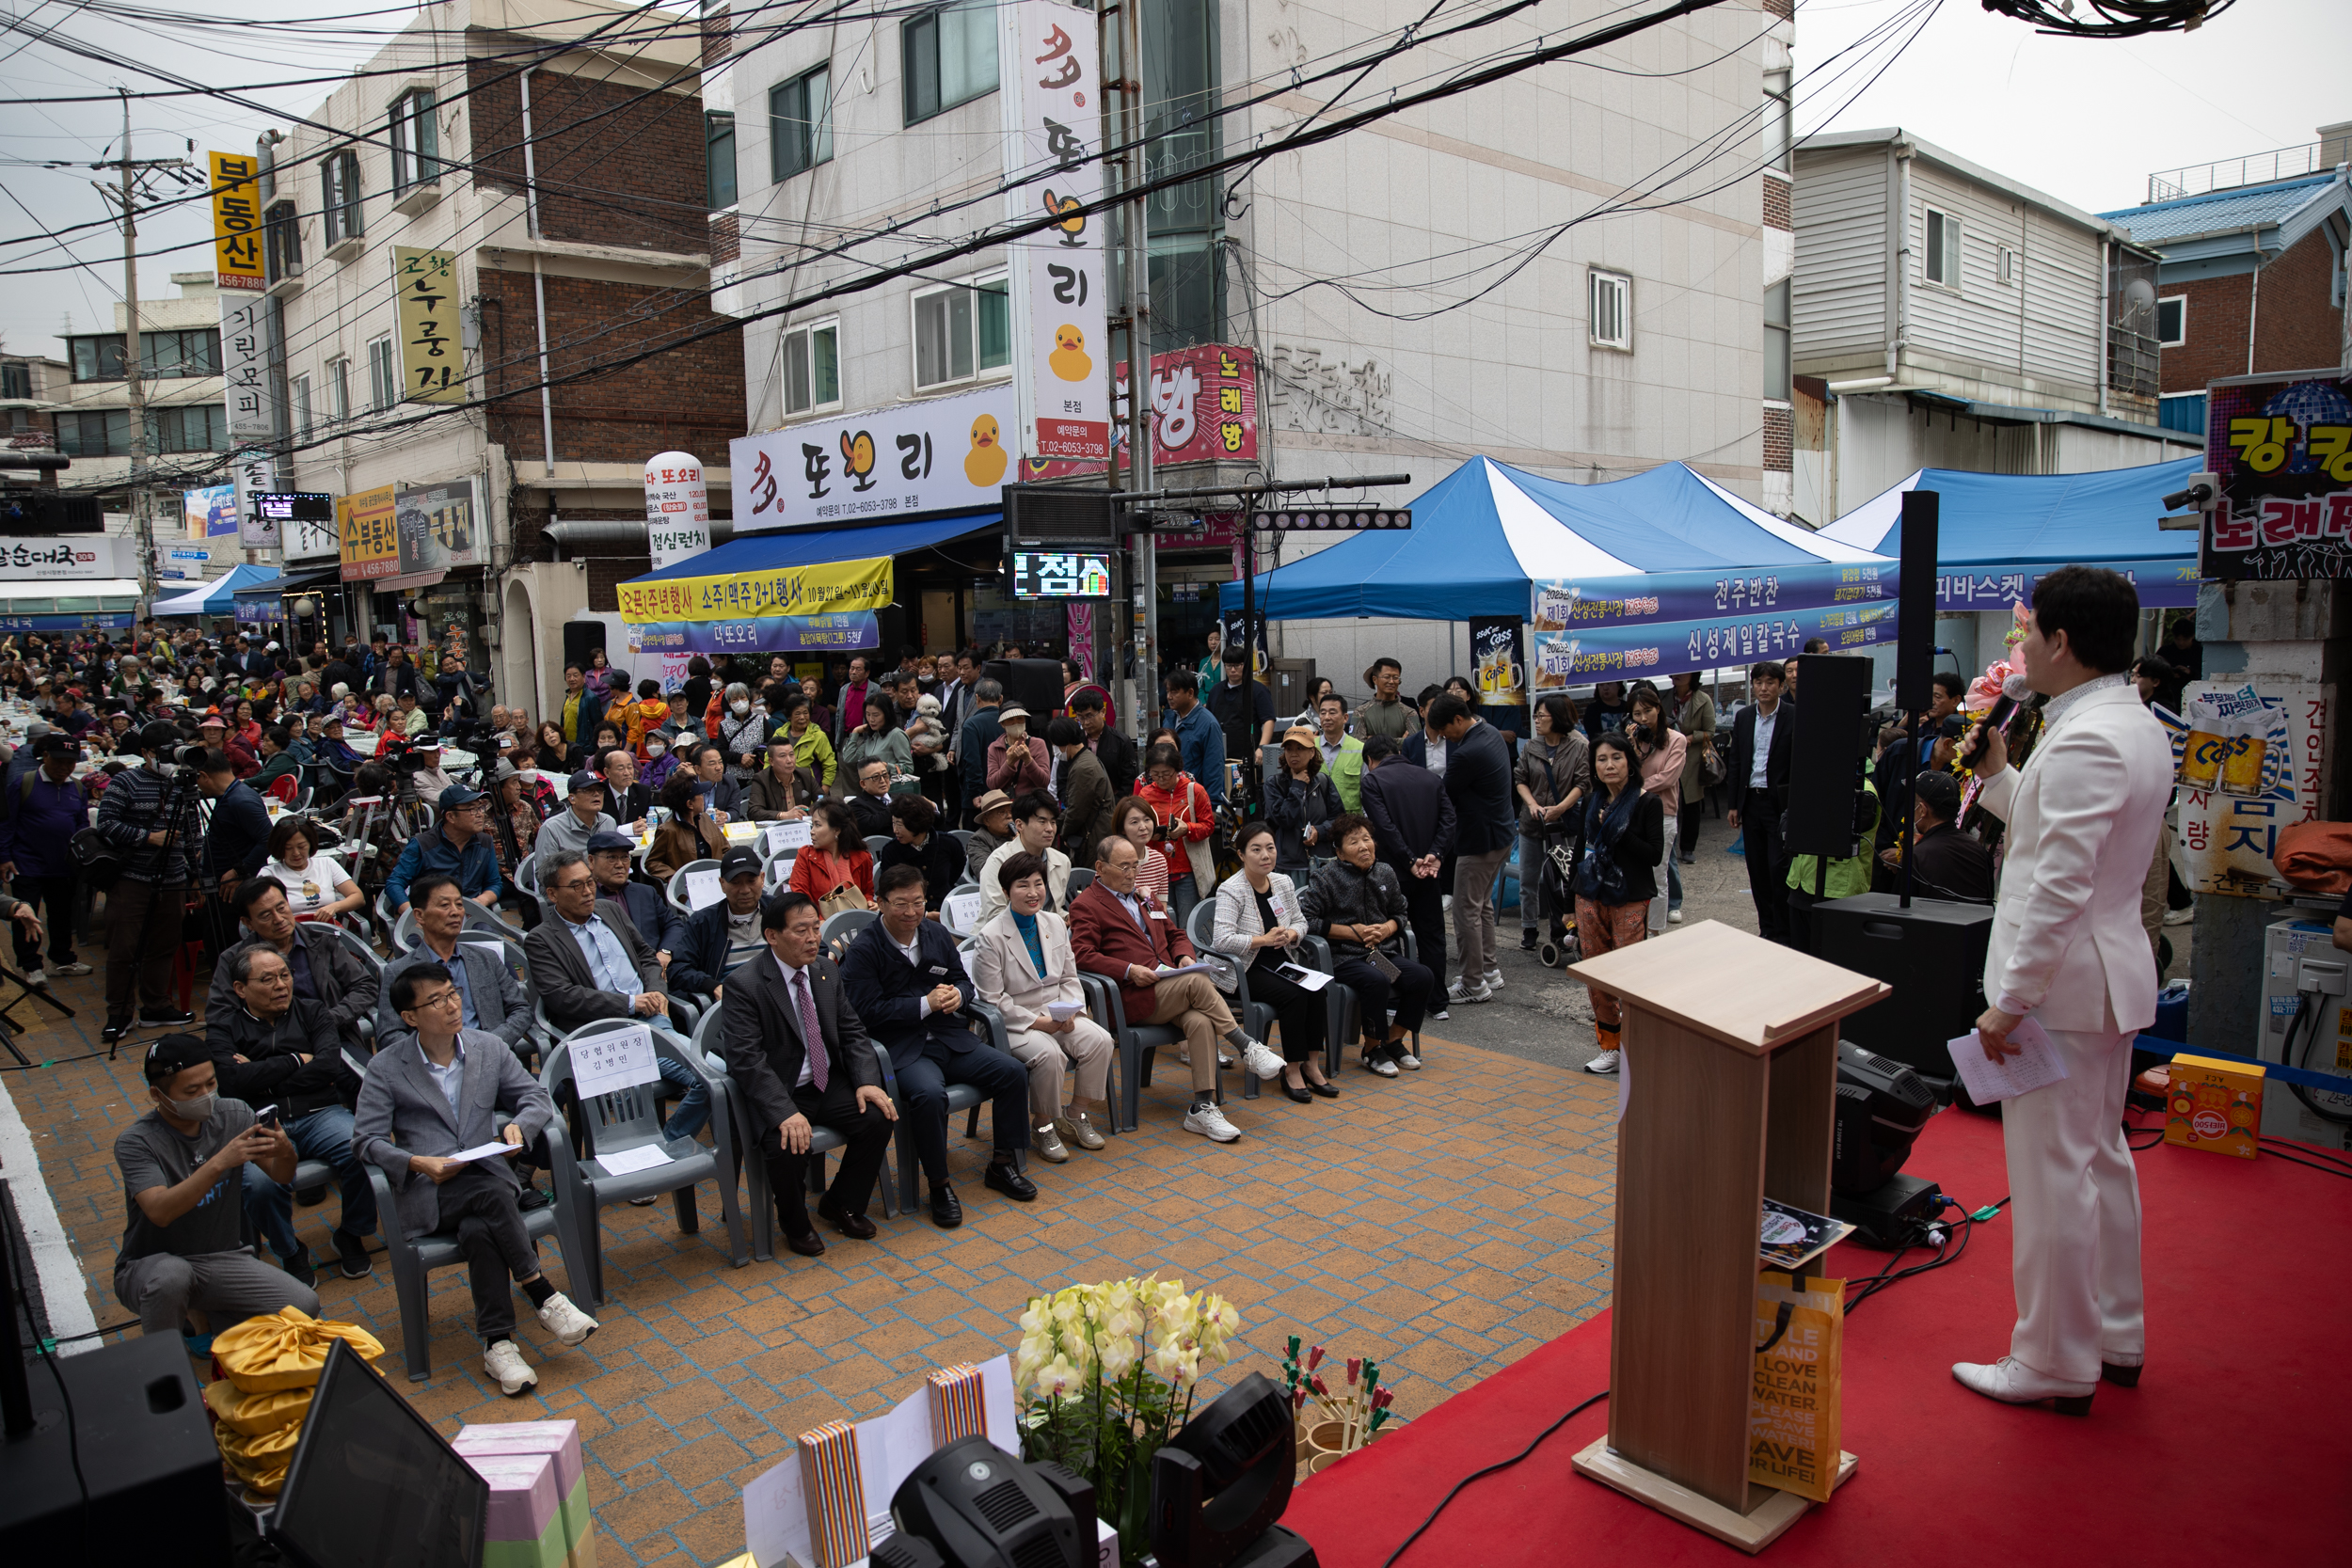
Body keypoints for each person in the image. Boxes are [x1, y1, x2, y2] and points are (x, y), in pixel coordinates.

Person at [1955, 567, 2170, 1414]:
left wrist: (2008, 1001)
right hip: (2104, 983)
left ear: (2062, 642)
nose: (2018, 647)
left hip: (2061, 991)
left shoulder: (2086, 736)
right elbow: (2063, 841)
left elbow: (2055, 887)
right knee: (2099, 1161)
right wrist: (2004, 777)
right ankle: (2116, 1334)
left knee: (2052, 1175)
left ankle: (2052, 1356)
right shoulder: (2126, 722)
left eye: (2025, 631)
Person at [356, 964, 598, 1397]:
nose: (451, 1006)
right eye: (436, 1000)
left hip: (485, 1181)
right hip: (431, 1191)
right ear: (409, 1016)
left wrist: (519, 1127)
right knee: (491, 1197)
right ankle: (542, 1293)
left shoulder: (486, 1047)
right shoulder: (386, 1067)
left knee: (480, 1226)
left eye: (452, 994)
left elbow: (534, 1096)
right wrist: (415, 1162)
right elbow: (366, 1141)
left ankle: (498, 1344)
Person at [841, 863, 1038, 1224]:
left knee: (1011, 1071)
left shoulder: (933, 933)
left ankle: (1002, 1164)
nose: (911, 912)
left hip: (950, 1037)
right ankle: (939, 1183)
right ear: (880, 903)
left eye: (918, 902)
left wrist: (957, 997)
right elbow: (864, 1011)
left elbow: (963, 979)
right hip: (902, 1048)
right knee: (929, 1095)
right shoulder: (863, 950)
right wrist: (923, 1004)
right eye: (900, 904)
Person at [718, 890, 898, 1256]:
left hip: (824, 1080)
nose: (813, 938)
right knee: (786, 1145)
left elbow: (852, 1032)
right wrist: (783, 1111)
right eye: (801, 931)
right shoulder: (746, 984)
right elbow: (746, 1060)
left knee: (878, 1118)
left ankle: (840, 1203)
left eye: (815, 928)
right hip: (781, 1087)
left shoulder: (825, 970)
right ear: (772, 936)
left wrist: (866, 1081)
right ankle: (794, 1223)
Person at [114, 1035, 317, 1349]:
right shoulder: (136, 1142)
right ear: (157, 1094)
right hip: (150, 1266)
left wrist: (286, 1150)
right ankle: (166, 1367)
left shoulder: (233, 1114)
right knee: (172, 1277)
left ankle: (209, 1313)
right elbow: (160, 1211)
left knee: (303, 1306)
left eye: (210, 1083)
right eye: (192, 1091)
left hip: (219, 1258)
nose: (206, 1095)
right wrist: (219, 1163)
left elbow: (281, 1174)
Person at [1072, 834, 1279, 1140]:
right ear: (1100, 868)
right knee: (1197, 981)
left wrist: (1183, 955)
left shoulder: (1145, 896)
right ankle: (1246, 1045)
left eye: (1135, 865)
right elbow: (1082, 955)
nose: (1132, 873)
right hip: (1129, 996)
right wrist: (1129, 970)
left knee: (1199, 1019)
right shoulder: (1087, 904)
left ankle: (1202, 1108)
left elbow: (1176, 933)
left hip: (1169, 986)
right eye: (1124, 867)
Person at [205, 944, 373, 1284]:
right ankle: (289, 1250)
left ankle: (351, 1233)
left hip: (320, 1112)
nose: (281, 985)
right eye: (267, 979)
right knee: (261, 1185)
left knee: (365, 1149)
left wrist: (260, 1075)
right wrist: (297, 1059)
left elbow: (327, 1066)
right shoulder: (223, 1028)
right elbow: (230, 1082)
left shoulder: (313, 1012)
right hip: (259, 1123)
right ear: (240, 989)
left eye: (285, 975)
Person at [525, 850, 712, 1145]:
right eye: (577, 886)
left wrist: (655, 992)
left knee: (717, 1075)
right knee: (638, 1097)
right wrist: (629, 1003)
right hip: (604, 1037)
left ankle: (668, 1142)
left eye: (589, 882)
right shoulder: (541, 939)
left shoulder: (609, 911)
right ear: (551, 894)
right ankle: (639, 1154)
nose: (588, 892)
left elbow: (646, 957)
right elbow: (562, 996)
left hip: (651, 1024)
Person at [973, 851, 1116, 1159]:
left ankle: (1075, 1114)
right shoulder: (991, 937)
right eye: (1023, 885)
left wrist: (1071, 1012)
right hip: (1012, 1023)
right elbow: (992, 999)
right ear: (1006, 891)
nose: (1033, 892)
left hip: (1058, 1011)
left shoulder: (1053, 922)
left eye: (1038, 884)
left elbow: (1069, 976)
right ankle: (1043, 1125)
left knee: (1100, 1040)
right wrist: (1040, 1023)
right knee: (1050, 1054)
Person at [1300, 815, 1437, 1077]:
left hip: (1380, 954)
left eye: (1367, 839)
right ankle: (1371, 1049)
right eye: (1354, 842)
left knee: (1422, 977)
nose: (1364, 846)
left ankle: (1393, 1041)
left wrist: (1387, 928)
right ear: (1339, 852)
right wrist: (1352, 933)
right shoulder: (1326, 877)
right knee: (1376, 981)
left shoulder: (1385, 872)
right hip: (1343, 957)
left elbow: (1401, 912)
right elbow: (1306, 920)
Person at [93, 721, 202, 1044]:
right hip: (133, 879)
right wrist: (148, 838)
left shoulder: (185, 786)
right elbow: (106, 824)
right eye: (164, 754)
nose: (170, 760)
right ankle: (120, 1013)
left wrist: (196, 875)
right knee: (124, 948)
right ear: (146, 753)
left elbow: (194, 833)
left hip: (173, 879)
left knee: (165, 945)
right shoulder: (125, 781)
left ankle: (157, 1006)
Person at [1211, 822, 1335, 1101]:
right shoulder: (1231, 889)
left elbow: (1300, 921)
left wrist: (1292, 934)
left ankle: (1311, 1065)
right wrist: (1263, 940)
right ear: (1241, 855)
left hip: (1280, 961)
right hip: (1243, 968)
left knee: (1317, 991)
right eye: (1256, 849)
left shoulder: (1283, 882)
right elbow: (1222, 940)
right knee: (1293, 996)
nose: (1265, 855)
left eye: (1270, 848)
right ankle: (1291, 1070)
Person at [1573, 733, 1663, 1076]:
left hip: (1630, 895)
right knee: (1596, 973)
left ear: (1629, 762)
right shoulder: (1592, 801)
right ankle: (1610, 1047)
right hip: (1590, 893)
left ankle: (1638, 1047)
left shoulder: (1646, 802)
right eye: (1601, 759)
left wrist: (1617, 829)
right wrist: (1570, 900)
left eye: (1616, 758)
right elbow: (1581, 851)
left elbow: (1654, 855)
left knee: (1629, 974)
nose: (1609, 765)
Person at [208, 874, 380, 1052]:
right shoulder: (233, 959)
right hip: (266, 1047)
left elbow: (364, 985)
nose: (279, 919)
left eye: (281, 908)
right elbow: (220, 1014)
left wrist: (330, 1019)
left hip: (329, 1037)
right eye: (266, 915)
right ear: (248, 923)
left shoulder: (321, 943)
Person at [376, 873, 534, 1056]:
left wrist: (491, 1043)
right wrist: (436, 1055)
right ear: (419, 915)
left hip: (492, 1057)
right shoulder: (400, 971)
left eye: (459, 905)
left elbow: (521, 1009)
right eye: (444, 905)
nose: (455, 912)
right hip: (435, 1069)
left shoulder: (486, 959)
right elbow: (389, 1035)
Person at [1425, 693, 1514, 1006]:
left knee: (1465, 911)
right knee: (1481, 906)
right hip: (1502, 835)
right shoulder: (1489, 732)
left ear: (1458, 721)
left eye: (1444, 731)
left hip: (1479, 843)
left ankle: (1473, 984)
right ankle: (1488, 970)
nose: (1443, 738)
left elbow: (1443, 795)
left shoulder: (1467, 753)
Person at [1359, 736, 1454, 1011]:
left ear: (1369, 760)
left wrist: (1409, 859)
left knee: (1387, 937)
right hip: (1429, 872)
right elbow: (1449, 820)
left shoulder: (1373, 781)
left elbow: (1383, 827)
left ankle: (1396, 996)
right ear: (1398, 752)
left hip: (1392, 873)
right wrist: (1434, 855)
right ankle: (1437, 1001)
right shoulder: (1431, 779)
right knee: (1432, 935)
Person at [0, 731, 90, 985]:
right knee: (26, 917)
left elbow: (82, 825)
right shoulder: (23, 783)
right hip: (26, 865)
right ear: (45, 756)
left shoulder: (78, 787)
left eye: (70, 763)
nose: (64, 768)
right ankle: (31, 966)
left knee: (62, 915)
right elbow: (7, 824)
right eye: (58, 761)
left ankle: (62, 960)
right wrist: (4, 856)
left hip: (63, 866)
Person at [1727, 660, 1796, 945]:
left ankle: (1784, 930)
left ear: (1781, 686)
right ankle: (1766, 928)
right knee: (1756, 870)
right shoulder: (1744, 717)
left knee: (1777, 868)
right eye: (1758, 682)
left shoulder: (1794, 715)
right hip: (1751, 801)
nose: (1764, 688)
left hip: (1779, 803)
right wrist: (1734, 804)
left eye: (1770, 682)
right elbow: (1737, 761)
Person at [1515, 693, 1588, 951]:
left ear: (1557, 717)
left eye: (1541, 716)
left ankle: (1568, 928)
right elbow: (1520, 779)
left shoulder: (1578, 746)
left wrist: (1561, 808)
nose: (1536, 720)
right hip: (1532, 823)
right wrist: (1532, 804)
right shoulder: (1530, 746)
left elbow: (1583, 783)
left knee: (1566, 878)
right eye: (1535, 715)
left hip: (1564, 823)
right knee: (1529, 879)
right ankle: (1530, 928)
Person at [1785, 774, 1880, 956]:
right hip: (1801, 885)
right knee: (1800, 960)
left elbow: (1835, 832)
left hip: (1837, 891)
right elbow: (1788, 817)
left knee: (1832, 964)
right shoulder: (1815, 780)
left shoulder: (1864, 792)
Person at [670, 847, 772, 1001]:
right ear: (722, 884)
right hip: (732, 1001)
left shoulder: (780, 911)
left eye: (751, 881)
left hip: (778, 994)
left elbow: (816, 948)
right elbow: (678, 969)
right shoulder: (703, 922)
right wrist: (712, 986)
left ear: (762, 878)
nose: (745, 890)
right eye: (736, 883)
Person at [388, 782, 505, 912]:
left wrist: (480, 901)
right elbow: (394, 883)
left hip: (472, 915)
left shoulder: (485, 842)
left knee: (490, 933)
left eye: (480, 807)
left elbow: (494, 883)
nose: (480, 814)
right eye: (472, 809)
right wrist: (411, 917)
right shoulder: (423, 845)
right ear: (450, 817)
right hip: (433, 917)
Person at [1627, 685, 1688, 930]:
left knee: (1657, 875)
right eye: (1637, 713)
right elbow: (1625, 774)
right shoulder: (1635, 740)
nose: (1643, 718)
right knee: (1633, 873)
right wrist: (1630, 746)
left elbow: (1667, 778)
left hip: (1662, 814)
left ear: (1658, 710)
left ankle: (1654, 930)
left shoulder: (1676, 740)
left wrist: (1636, 789)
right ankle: (1633, 929)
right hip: (1633, 813)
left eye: (1647, 711)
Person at [1886, 770, 1994, 903]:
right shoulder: (1980, 853)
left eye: (1912, 804)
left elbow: (1898, 910)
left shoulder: (1916, 857)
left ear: (1922, 810)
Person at [1136, 743, 1215, 926]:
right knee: (1162, 923)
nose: (1161, 779)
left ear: (1178, 770)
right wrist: (1149, 835)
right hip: (1156, 870)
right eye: (1155, 774)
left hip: (1187, 869)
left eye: (1166, 774)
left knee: (1189, 924)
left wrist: (1187, 828)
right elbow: (1134, 828)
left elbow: (1208, 826)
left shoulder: (1195, 791)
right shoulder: (1145, 794)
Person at [586, 830, 686, 971]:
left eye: (625, 858)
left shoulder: (645, 892)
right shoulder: (586, 899)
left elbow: (673, 924)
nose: (620, 864)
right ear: (591, 861)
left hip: (657, 968)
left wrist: (665, 951)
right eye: (612, 858)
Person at [980, 791, 1071, 923]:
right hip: (1001, 937)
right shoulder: (999, 861)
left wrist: (1066, 917)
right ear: (1019, 825)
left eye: (1053, 822)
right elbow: (995, 915)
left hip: (1046, 935)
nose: (1050, 829)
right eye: (1042, 822)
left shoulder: (1062, 861)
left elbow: (1054, 909)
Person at [1265, 725, 1341, 877]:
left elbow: (1338, 819)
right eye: (1289, 749)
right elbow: (1284, 819)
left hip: (1321, 862)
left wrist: (1319, 831)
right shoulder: (1274, 784)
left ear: (1312, 752)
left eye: (1300, 748)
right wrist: (1297, 786)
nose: (1294, 754)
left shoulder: (1323, 782)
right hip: (1288, 865)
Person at [261, 816, 362, 921]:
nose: (296, 853)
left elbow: (357, 897)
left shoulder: (327, 864)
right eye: (288, 848)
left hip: (327, 931)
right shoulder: (269, 874)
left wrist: (334, 907)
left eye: (301, 846)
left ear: (311, 843)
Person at [879, 794, 964, 911]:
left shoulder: (948, 843)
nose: (895, 830)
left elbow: (958, 867)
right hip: (909, 914)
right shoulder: (891, 851)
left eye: (899, 824)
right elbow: (888, 888)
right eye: (893, 823)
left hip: (945, 910)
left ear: (915, 824)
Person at [786, 800, 875, 911]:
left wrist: (869, 902)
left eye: (817, 825)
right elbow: (800, 896)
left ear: (836, 830)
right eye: (812, 825)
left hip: (854, 919)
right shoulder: (805, 855)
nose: (812, 831)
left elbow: (867, 892)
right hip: (816, 923)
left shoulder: (862, 857)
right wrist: (819, 920)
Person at [1206, 643, 1278, 780]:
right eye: (1228, 666)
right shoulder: (1216, 690)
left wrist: (1262, 748)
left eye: (1237, 666)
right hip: (1219, 753)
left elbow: (1268, 720)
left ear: (1245, 665)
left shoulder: (1258, 690)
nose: (1233, 670)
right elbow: (1209, 720)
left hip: (1248, 754)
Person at [1048, 716, 1114, 858]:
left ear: (1064, 741)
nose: (1055, 750)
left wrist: (1063, 833)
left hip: (1094, 836)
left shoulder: (1083, 768)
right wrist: (1054, 824)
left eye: (1055, 745)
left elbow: (1076, 811)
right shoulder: (1084, 759)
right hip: (1095, 831)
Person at [1669, 671, 1717, 865]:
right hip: (1668, 755)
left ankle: (1688, 847)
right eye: (1675, 672)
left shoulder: (1703, 699)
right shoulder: (1665, 697)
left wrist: (1689, 739)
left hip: (1692, 758)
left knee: (1691, 804)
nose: (1677, 675)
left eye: (1683, 671)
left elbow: (1710, 731)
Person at [533, 772, 618, 881]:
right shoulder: (551, 828)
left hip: (605, 884)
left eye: (600, 790)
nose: (596, 794)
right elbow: (544, 875)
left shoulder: (608, 822)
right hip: (571, 888)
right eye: (588, 790)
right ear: (572, 798)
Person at [1162, 672, 1225, 808]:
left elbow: (1214, 767)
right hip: (1168, 797)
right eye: (1167, 691)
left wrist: (1212, 804)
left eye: (1174, 692)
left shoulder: (1208, 724)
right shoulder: (1169, 719)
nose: (1169, 697)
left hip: (1194, 800)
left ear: (1190, 693)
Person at [1069, 688, 1137, 800]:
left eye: (1089, 716)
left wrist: (1115, 805)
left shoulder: (1121, 741)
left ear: (1103, 712)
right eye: (1080, 717)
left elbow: (1128, 780)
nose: (1086, 722)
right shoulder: (1075, 740)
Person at [957, 679, 1006, 827]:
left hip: (979, 799)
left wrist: (974, 793)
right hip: (1005, 795)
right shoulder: (1009, 722)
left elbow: (972, 763)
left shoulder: (971, 724)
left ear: (977, 698)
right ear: (1000, 699)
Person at [748, 735, 820, 821]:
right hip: (776, 830)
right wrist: (783, 815)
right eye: (783, 756)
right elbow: (754, 812)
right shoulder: (761, 779)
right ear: (771, 761)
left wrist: (812, 810)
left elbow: (823, 799)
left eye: (791, 754)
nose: (789, 760)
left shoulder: (804, 774)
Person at [984, 703, 1049, 797]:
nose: (1016, 723)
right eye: (1011, 720)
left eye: (1020, 719)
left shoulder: (1038, 744)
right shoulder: (994, 748)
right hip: (1006, 805)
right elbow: (992, 784)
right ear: (1002, 724)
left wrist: (1028, 760)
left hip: (1031, 804)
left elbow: (1044, 782)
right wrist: (1009, 764)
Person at [1354, 658, 1420, 741]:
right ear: (1375, 679)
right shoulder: (1361, 712)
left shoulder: (1409, 713)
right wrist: (1401, 741)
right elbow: (1357, 744)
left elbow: (1414, 743)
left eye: (1395, 678)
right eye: (1387, 677)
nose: (1391, 682)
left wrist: (1373, 741)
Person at [964, 788, 1014, 881]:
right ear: (986, 820)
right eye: (1002, 812)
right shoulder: (978, 840)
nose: (1009, 816)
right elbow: (985, 873)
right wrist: (1016, 847)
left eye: (1010, 811)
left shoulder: (1019, 833)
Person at [556, 662, 604, 755]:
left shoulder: (591, 698)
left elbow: (598, 724)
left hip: (584, 747)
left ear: (583, 676)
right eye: (568, 676)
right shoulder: (568, 696)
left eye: (575, 675)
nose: (572, 679)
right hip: (568, 745)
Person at [845, 758, 898, 841]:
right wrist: (900, 805)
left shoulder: (899, 797)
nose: (883, 780)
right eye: (876, 777)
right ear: (863, 784)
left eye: (885, 775)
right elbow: (871, 825)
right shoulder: (855, 805)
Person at [601, 749, 653, 832]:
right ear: (607, 772)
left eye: (630, 767)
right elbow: (597, 828)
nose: (627, 773)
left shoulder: (643, 791)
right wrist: (627, 829)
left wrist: (646, 824)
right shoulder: (599, 793)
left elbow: (655, 823)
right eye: (621, 769)